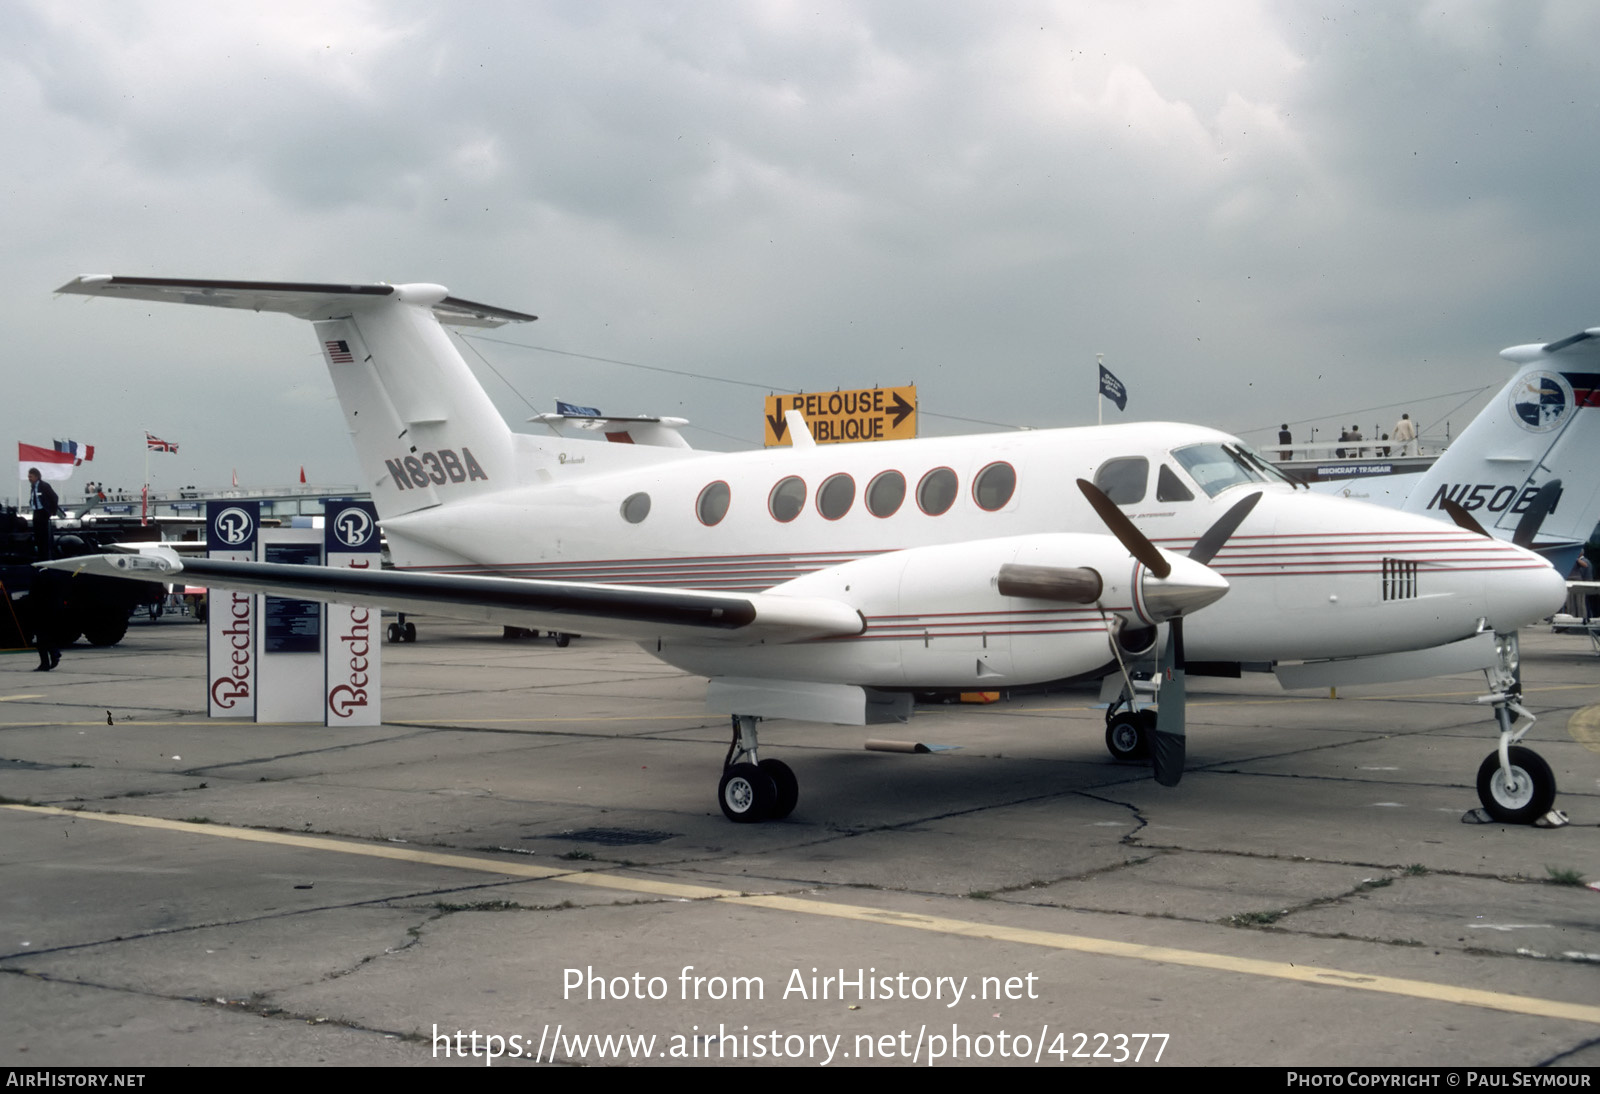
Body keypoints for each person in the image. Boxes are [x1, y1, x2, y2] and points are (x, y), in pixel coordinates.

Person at [27, 468, 58, 561]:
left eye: (31, 476)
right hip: (36, 512)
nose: (29, 478)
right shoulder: (33, 487)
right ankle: (40, 554)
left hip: (42, 512)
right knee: (37, 535)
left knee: (43, 535)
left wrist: (52, 510)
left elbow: (54, 497)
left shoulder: (44, 486)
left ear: (36, 476)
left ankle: (45, 556)